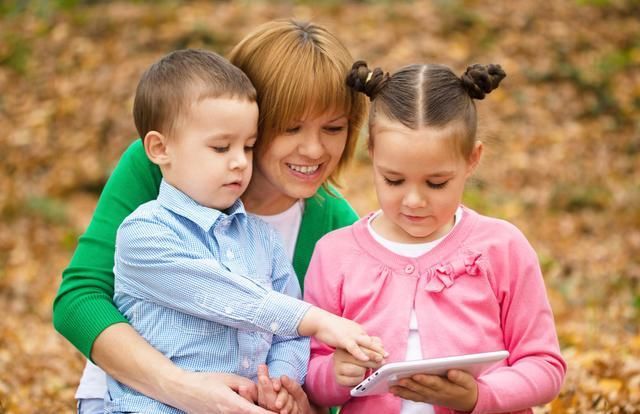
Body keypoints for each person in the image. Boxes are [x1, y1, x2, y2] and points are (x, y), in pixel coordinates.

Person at [52, 20, 377, 413]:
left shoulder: (333, 223)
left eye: (333, 128)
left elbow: (325, 361)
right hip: (135, 398)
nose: (313, 149)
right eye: (291, 127)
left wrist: (292, 395)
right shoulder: (161, 166)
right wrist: (180, 388)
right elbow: (80, 300)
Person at [303, 61, 567, 413]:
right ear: (373, 154)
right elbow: (309, 373)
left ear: (472, 159)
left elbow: (544, 366)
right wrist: (335, 375)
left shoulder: (502, 247)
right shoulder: (335, 254)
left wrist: (478, 396)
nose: (414, 201)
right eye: (394, 180)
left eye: (436, 183)